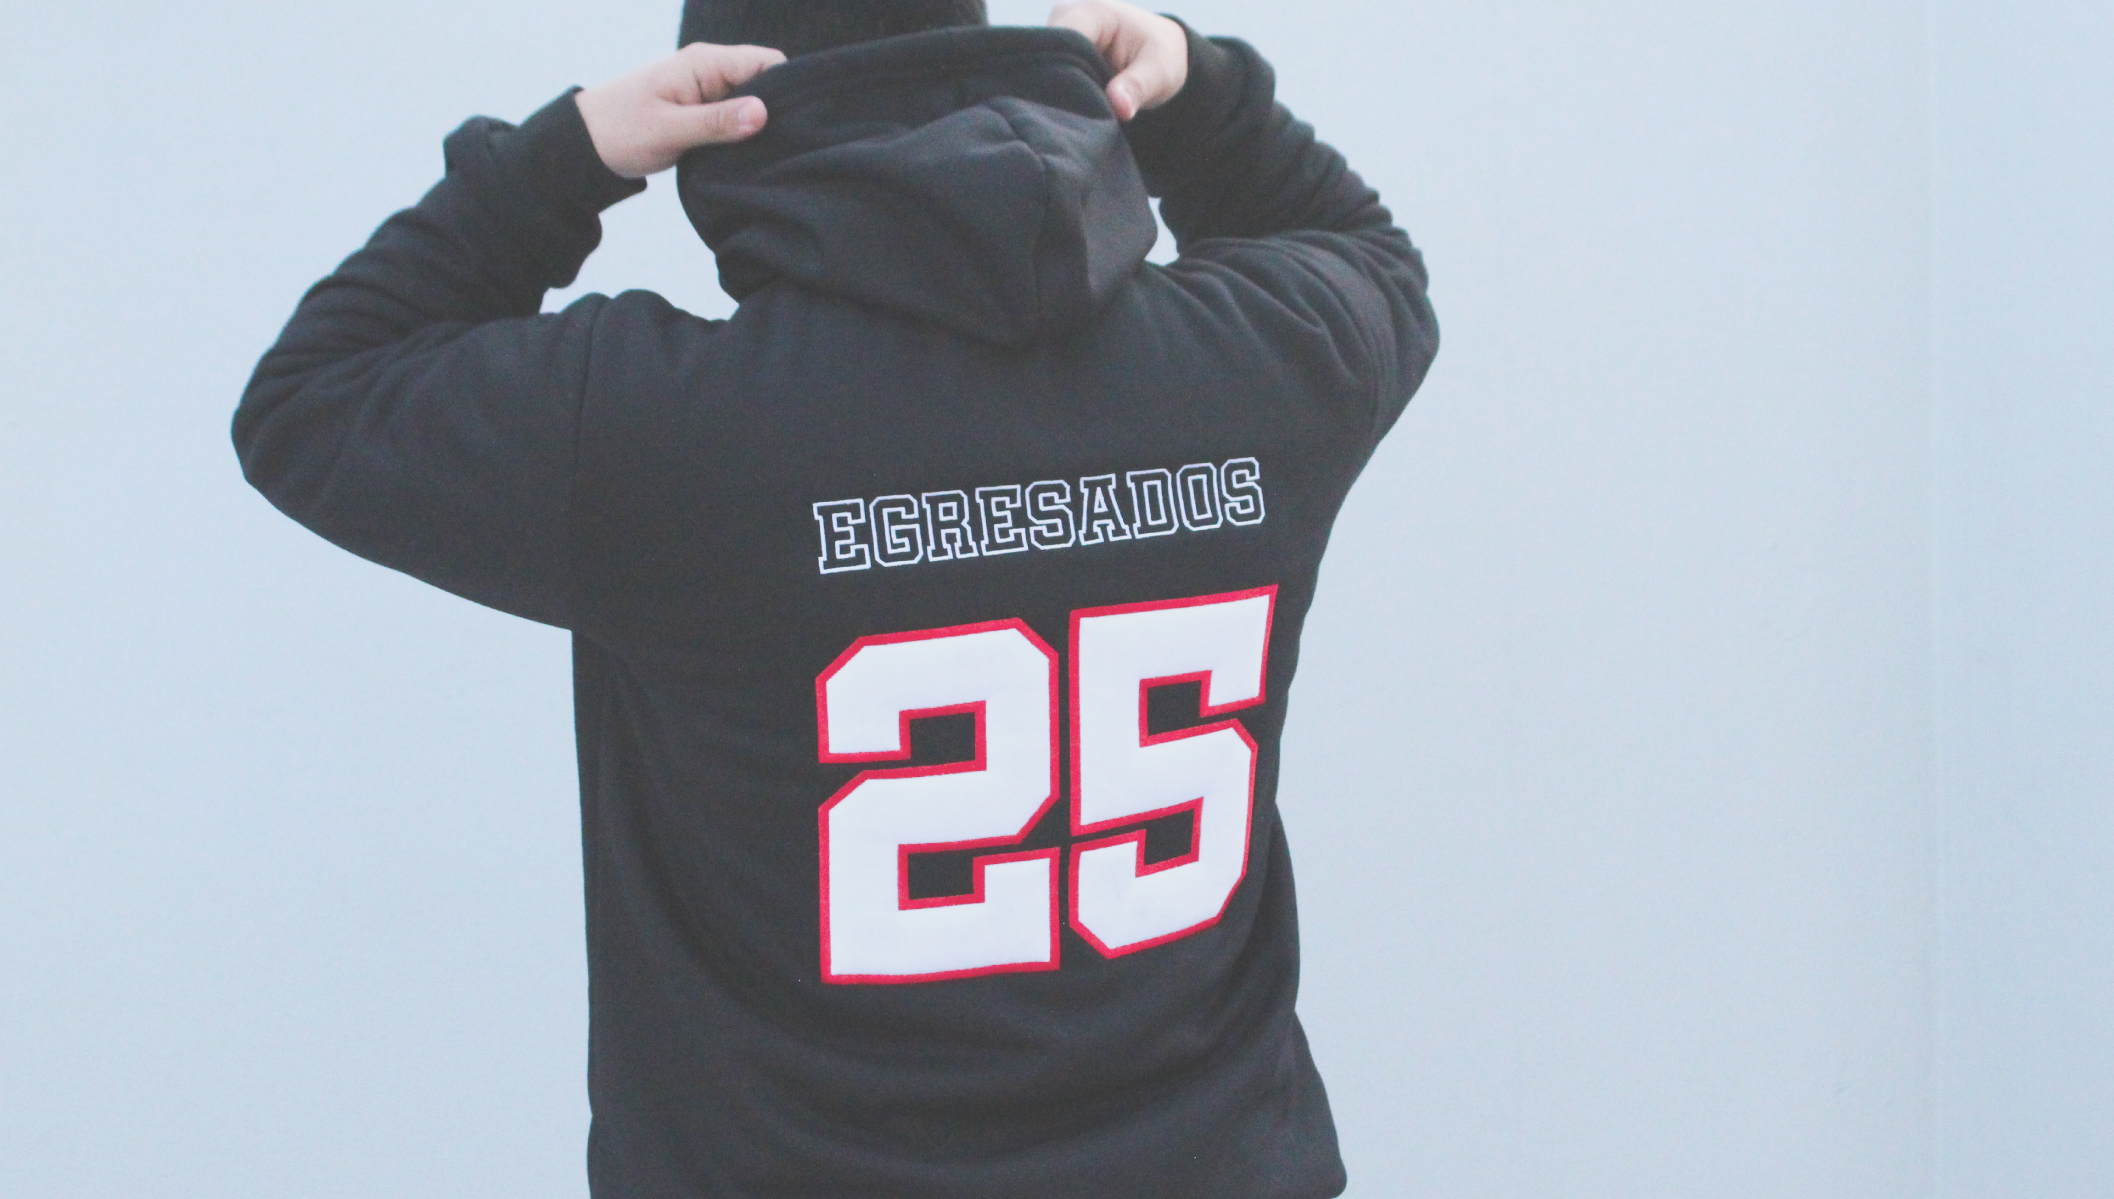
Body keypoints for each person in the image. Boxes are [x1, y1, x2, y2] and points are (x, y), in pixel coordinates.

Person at [233, 0, 1437, 1193]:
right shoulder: (1266, 357)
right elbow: (1368, 251)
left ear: (727, 115)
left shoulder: (664, 434)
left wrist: (568, 156)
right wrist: (1197, 96)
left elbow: (310, 397)